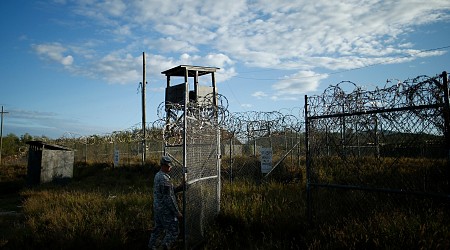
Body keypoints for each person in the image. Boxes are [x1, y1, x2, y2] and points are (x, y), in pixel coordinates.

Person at [148, 156, 184, 250]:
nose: (170, 168)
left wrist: (180, 187)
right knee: (173, 231)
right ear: (163, 166)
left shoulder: (158, 175)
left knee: (158, 229)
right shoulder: (164, 179)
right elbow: (168, 198)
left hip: (158, 208)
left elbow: (168, 192)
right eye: (168, 166)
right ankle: (165, 246)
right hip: (165, 210)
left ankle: (152, 246)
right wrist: (177, 212)